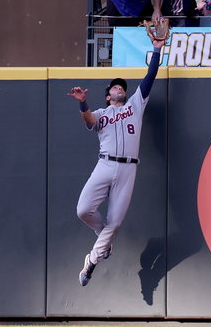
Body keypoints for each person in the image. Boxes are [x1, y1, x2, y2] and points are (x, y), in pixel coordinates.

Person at [68, 36, 166, 287]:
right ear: (108, 96)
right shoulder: (101, 113)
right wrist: (83, 103)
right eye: (115, 87)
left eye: (122, 86)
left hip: (128, 168)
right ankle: (104, 239)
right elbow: (89, 120)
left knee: (116, 222)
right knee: (83, 210)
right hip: (106, 164)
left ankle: (91, 261)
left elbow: (150, 77)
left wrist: (156, 49)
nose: (120, 88)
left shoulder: (136, 104)